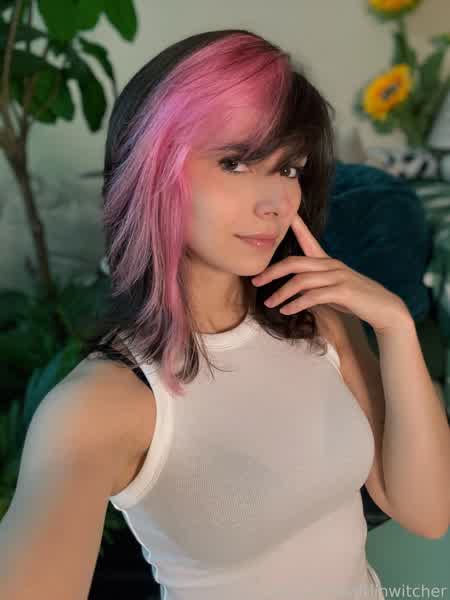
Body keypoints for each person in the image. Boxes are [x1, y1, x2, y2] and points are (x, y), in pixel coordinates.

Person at [0, 29, 385, 599]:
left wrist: (396, 325)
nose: (276, 203)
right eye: (235, 162)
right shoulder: (98, 406)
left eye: (289, 169)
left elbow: (427, 512)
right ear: (154, 168)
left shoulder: (319, 321)